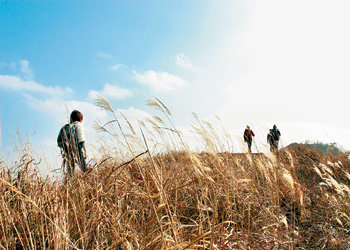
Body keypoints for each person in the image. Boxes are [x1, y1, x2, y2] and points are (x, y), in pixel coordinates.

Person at [57, 110, 87, 176]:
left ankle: (69, 184)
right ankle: (87, 180)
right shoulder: (79, 125)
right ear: (80, 119)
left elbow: (59, 141)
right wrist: (85, 151)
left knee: (70, 172)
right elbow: (81, 140)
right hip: (76, 149)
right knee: (85, 169)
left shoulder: (65, 127)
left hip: (67, 151)